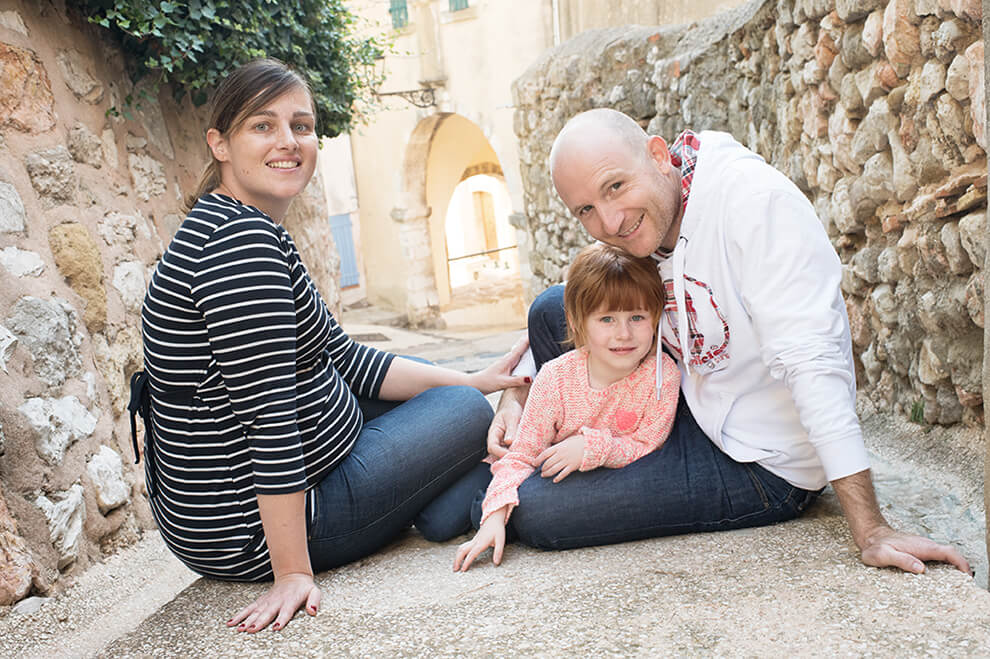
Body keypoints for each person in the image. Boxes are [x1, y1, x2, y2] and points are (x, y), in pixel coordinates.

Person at [486, 108, 970, 576]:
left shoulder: (755, 207)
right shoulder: (655, 204)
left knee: (538, 512)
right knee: (552, 309)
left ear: (659, 155)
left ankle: (551, 461)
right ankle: (548, 438)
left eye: (615, 187)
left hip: (756, 459)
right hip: (689, 398)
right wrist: (520, 393)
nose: (610, 223)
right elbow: (589, 291)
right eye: (587, 209)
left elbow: (812, 362)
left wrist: (871, 530)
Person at [136, 59, 529, 634]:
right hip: (248, 530)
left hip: (226, 514)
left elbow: (345, 359)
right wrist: (292, 572)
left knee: (457, 401)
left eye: (301, 125)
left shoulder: (235, 222)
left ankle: (448, 502)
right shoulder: (241, 248)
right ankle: (451, 492)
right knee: (465, 417)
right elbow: (268, 417)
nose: (289, 142)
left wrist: (471, 377)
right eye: (263, 127)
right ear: (219, 144)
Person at [453, 243, 680, 571]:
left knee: (528, 511)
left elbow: (647, 444)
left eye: (637, 316)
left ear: (655, 317)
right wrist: (492, 518)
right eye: (606, 318)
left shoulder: (661, 376)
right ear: (577, 323)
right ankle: (480, 492)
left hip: (589, 476)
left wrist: (593, 447)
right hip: (541, 466)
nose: (624, 333)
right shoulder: (557, 377)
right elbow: (523, 455)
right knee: (446, 521)